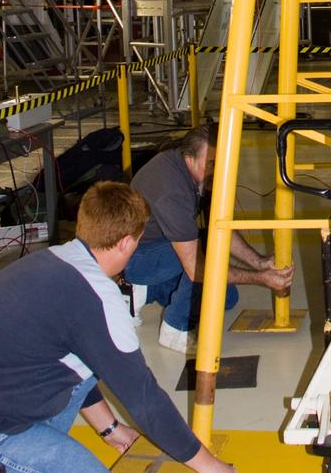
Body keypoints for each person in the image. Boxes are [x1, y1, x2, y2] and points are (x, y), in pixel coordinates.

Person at [0, 182, 239, 473]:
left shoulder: (51, 260)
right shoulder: (97, 295)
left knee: (84, 359)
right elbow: (145, 399)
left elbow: (79, 364)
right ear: (127, 244)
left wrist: (110, 428)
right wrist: (208, 466)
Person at [126, 123, 294, 352]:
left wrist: (260, 262)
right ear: (189, 157)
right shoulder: (171, 190)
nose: (217, 169)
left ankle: (143, 291)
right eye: (212, 163)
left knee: (226, 297)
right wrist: (261, 278)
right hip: (138, 258)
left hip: (158, 249)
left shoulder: (194, 173)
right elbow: (197, 268)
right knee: (203, 262)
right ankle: (175, 328)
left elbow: (219, 227)